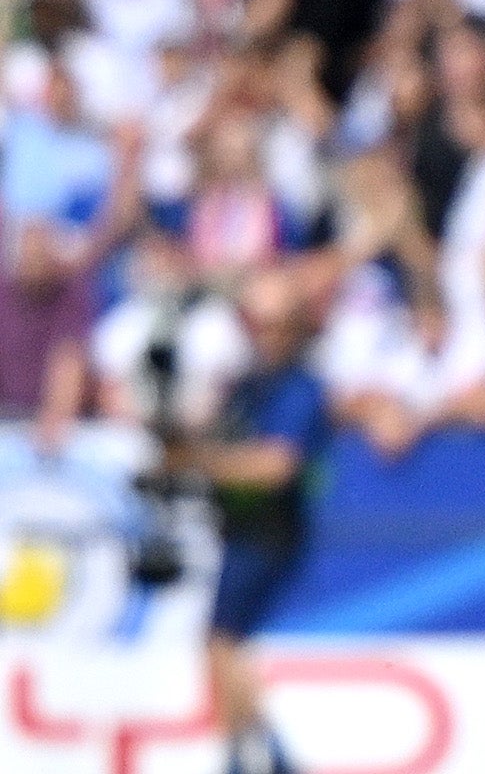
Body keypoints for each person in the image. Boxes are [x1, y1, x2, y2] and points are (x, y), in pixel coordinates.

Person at [163, 265, 331, 774]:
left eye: (277, 324)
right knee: (221, 647)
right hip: (239, 532)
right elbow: (212, 431)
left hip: (271, 534)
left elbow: (277, 465)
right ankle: (250, 750)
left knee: (224, 643)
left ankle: (261, 754)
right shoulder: (248, 385)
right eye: (259, 323)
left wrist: (201, 460)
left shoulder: (301, 387)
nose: (267, 335)